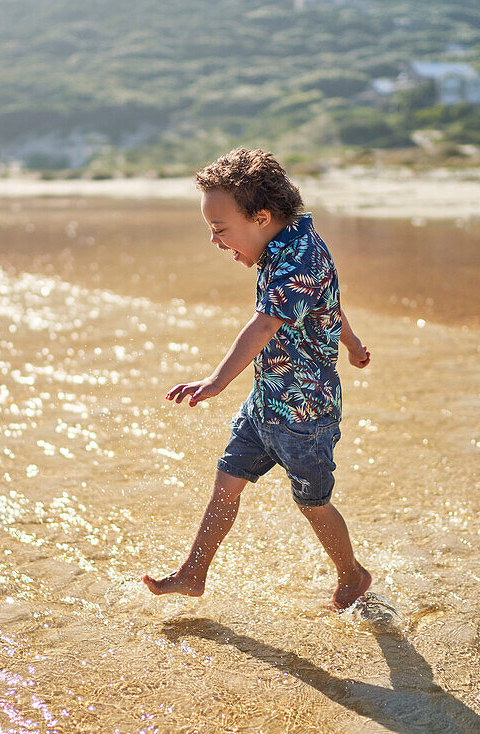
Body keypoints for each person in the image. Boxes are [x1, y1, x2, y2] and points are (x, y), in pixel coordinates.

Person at [141, 148, 373, 611]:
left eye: (219, 229)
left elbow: (265, 323)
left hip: (305, 414)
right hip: (266, 402)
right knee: (226, 483)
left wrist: (216, 380)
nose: (215, 241)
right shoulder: (279, 247)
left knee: (312, 503)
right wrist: (351, 343)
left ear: (262, 216)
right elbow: (329, 305)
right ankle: (193, 573)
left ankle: (353, 574)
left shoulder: (299, 262)